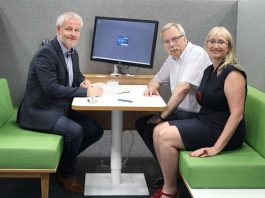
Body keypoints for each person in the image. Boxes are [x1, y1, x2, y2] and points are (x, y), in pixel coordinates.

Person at [150, 26, 247, 198]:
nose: (215, 45)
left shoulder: (233, 73)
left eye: (221, 42)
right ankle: (169, 184)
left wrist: (216, 148)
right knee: (158, 130)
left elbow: (237, 114)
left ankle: (170, 192)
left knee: (164, 137)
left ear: (229, 47)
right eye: (212, 41)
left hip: (222, 129)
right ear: (206, 45)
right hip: (205, 121)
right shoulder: (209, 70)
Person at [17, 12, 104, 193]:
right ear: (59, 30)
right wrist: (87, 92)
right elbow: (52, 89)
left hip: (59, 107)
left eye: (76, 30)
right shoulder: (46, 54)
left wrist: (84, 80)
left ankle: (63, 161)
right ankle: (66, 173)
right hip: (38, 110)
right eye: (68, 29)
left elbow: (76, 75)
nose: (73, 33)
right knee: (75, 131)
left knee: (95, 130)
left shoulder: (72, 52)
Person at [135, 23, 211, 187]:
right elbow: (156, 80)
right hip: (182, 112)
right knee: (142, 124)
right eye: (167, 41)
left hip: (197, 115)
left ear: (184, 38)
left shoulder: (196, 54)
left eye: (175, 39)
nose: (171, 44)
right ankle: (169, 172)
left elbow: (183, 89)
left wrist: (163, 116)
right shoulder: (173, 58)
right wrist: (151, 88)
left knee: (154, 126)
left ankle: (171, 179)